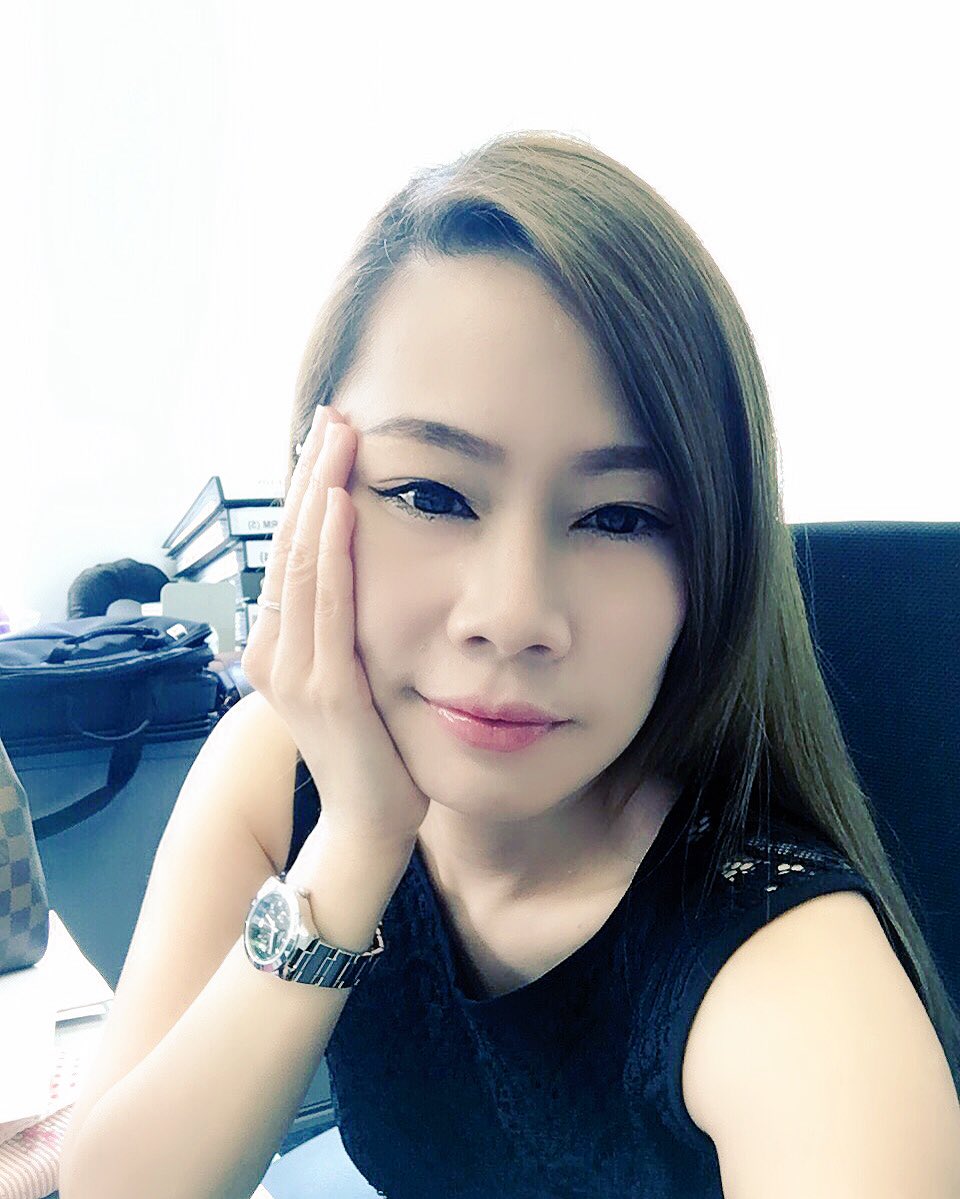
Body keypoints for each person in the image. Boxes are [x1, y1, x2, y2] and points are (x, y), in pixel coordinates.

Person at [58, 130, 960, 1199]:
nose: (514, 614)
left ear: (715, 565)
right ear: (311, 497)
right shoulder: (280, 762)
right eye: (432, 494)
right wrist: (355, 843)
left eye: (620, 515)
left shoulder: (785, 961)